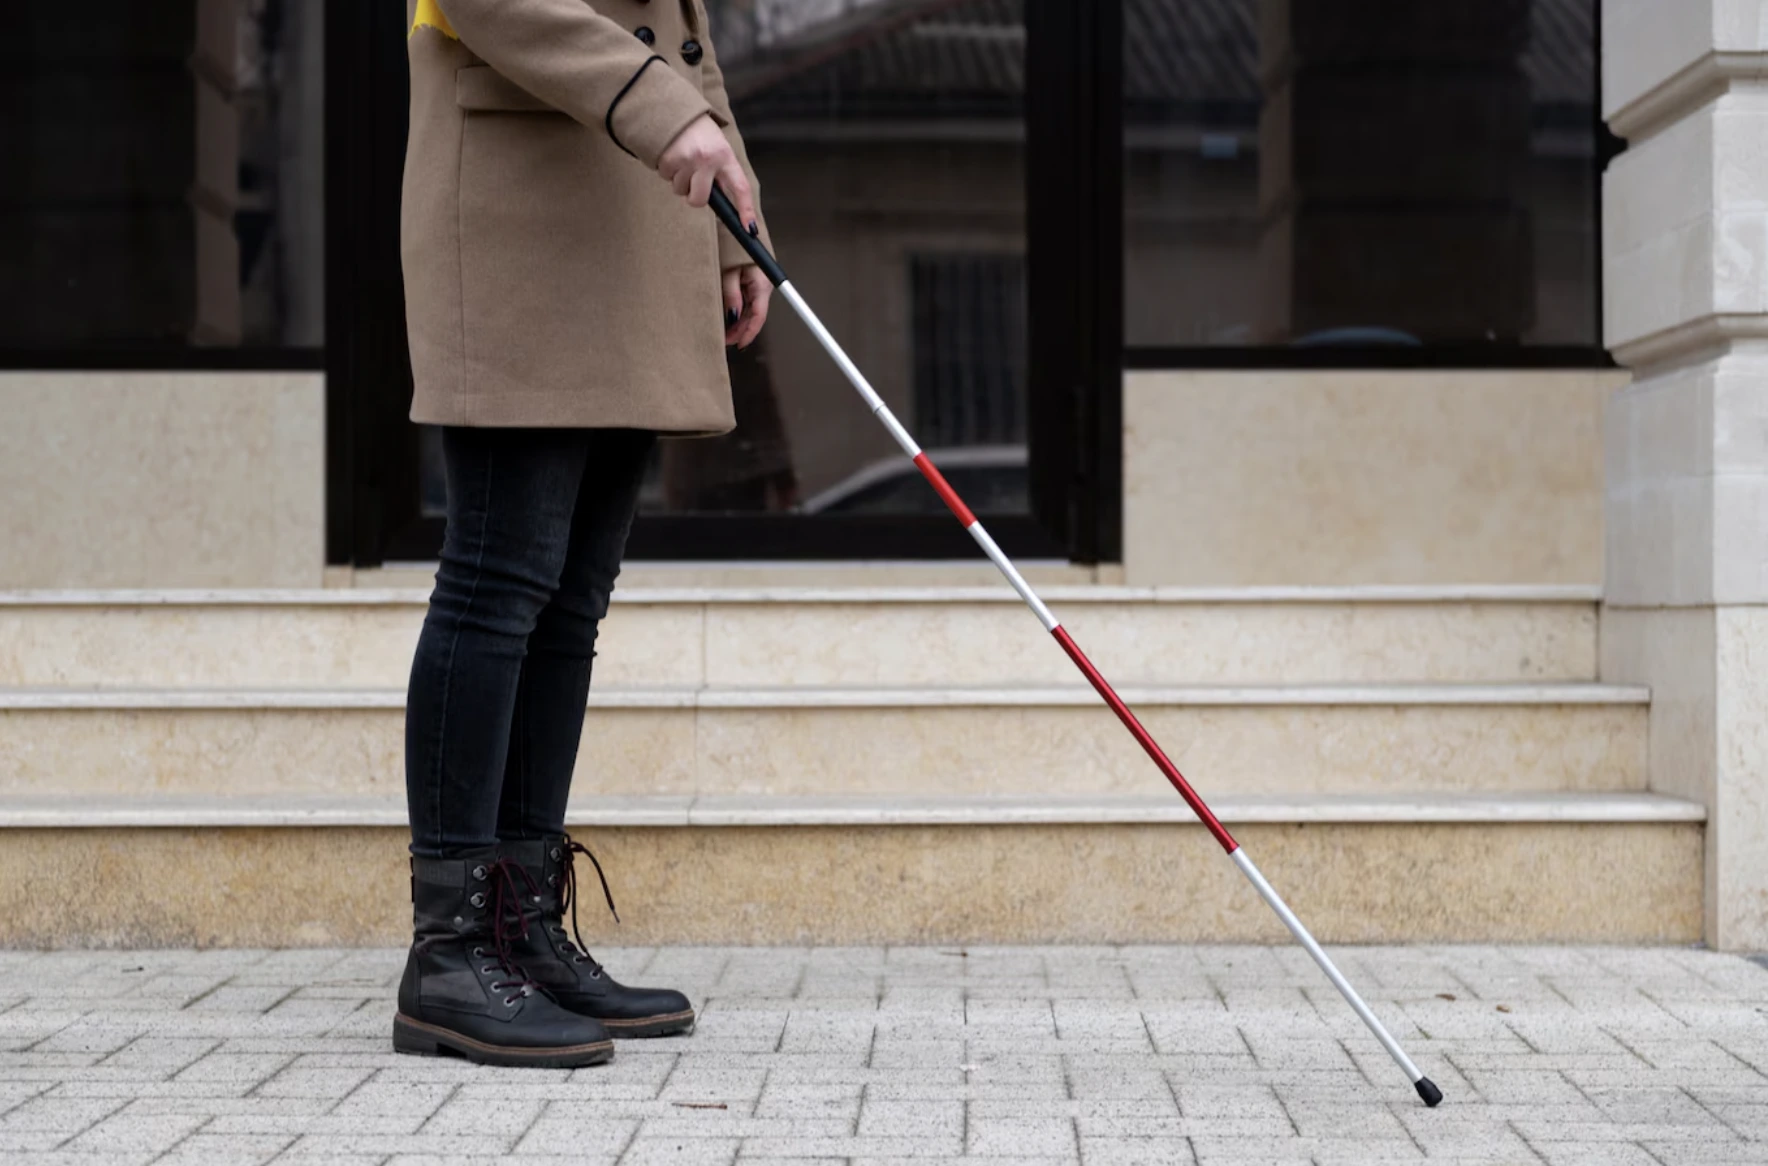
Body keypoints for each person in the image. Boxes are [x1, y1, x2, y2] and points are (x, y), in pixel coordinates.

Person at [393, 0, 771, 1068]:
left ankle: (520, 929)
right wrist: (664, 109)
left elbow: (680, 32)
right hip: (522, 220)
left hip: (629, 226)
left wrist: (730, 229)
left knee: (568, 598)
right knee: (497, 580)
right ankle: (451, 952)